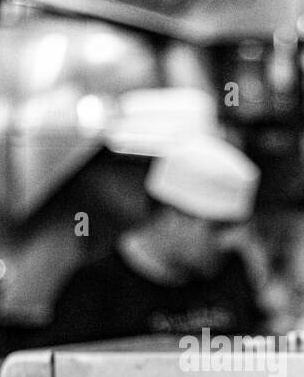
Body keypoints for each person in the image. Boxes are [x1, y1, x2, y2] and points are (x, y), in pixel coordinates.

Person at [45, 136, 266, 344]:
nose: (229, 243)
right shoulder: (95, 289)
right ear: (173, 216)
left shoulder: (230, 274)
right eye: (218, 228)